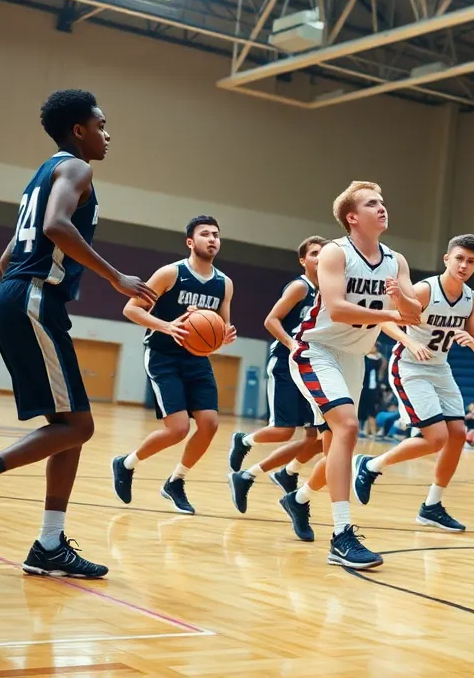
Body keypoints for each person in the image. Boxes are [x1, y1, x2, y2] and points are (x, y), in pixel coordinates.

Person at [0, 89, 156, 578]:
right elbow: (56, 226)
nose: (107, 134)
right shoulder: (77, 169)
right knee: (79, 427)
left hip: (17, 293)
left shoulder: (41, 175)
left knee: (70, 426)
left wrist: (27, 276)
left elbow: (7, 255)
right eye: (100, 125)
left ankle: (50, 545)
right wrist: (117, 277)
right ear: (78, 130)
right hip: (34, 298)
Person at [274, 181, 420, 568]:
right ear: (352, 217)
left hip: (353, 356)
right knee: (349, 428)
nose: (382, 207)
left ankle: (298, 499)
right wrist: (392, 313)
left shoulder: (396, 260)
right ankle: (341, 535)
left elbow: (413, 313)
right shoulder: (336, 253)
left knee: (335, 446)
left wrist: (403, 301)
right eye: (373, 203)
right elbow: (337, 309)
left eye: (383, 202)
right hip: (316, 349)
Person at [351, 234, 474, 531]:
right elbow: (385, 319)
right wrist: (409, 342)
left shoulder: (471, 299)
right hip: (410, 366)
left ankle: (432, 506)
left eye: (471, 261)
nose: (464, 265)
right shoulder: (426, 290)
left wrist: (473, 341)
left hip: (441, 369)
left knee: (457, 435)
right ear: (446, 259)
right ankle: (370, 466)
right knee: (436, 438)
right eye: (459, 259)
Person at [111, 216, 235, 514]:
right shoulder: (170, 273)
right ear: (191, 242)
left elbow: (221, 327)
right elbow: (131, 308)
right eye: (205, 234)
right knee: (178, 428)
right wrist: (167, 327)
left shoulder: (224, 283)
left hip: (197, 359)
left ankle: (175, 481)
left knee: (210, 424)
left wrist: (223, 337)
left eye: (216, 235)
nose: (212, 239)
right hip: (162, 354)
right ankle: (126, 463)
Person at [227, 237, 325, 512]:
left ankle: (283, 473)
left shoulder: (329, 291)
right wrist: (291, 343)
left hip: (310, 368)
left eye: (324, 254)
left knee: (318, 438)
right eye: (314, 253)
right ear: (303, 260)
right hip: (285, 362)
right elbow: (271, 320)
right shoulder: (299, 287)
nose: (320, 258)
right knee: (284, 430)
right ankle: (243, 441)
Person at [358, 345, 387, 438]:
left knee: (372, 410)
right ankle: (359, 430)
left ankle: (372, 431)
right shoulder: (364, 357)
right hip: (363, 387)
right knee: (361, 409)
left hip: (374, 388)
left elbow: (381, 372)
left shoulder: (380, 359)